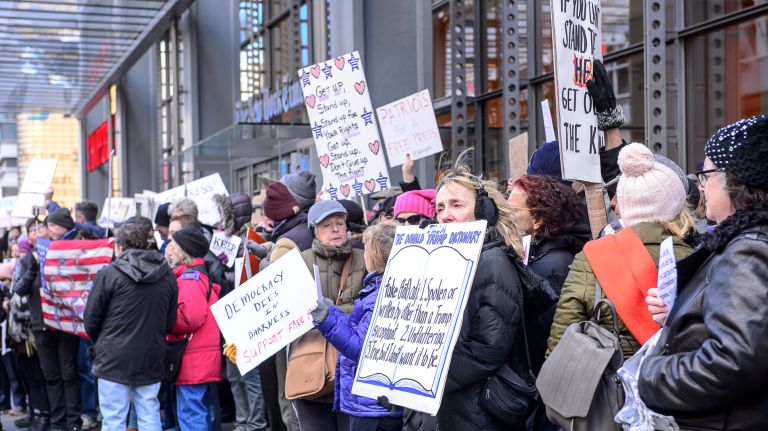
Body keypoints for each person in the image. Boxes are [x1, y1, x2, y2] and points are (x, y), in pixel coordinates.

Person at [638, 115, 768, 429]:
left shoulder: (746, 250)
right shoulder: (745, 241)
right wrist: (683, 314)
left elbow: (734, 362)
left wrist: (651, 374)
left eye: (706, 175)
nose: (701, 186)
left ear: (735, 181)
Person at [433, 152, 558, 431]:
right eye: (440, 208)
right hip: (455, 406)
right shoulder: (446, 262)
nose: (446, 216)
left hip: (480, 412)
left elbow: (488, 347)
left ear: (483, 211)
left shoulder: (492, 262)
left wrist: (433, 377)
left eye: (456, 205)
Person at [547, 143, 694, 360]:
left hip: (608, 386)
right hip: (670, 384)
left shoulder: (592, 257)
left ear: (625, 204)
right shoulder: (695, 258)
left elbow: (563, 333)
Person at [84, 217, 178, 431]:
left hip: (113, 357)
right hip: (150, 354)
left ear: (119, 247)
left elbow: (91, 319)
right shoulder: (167, 275)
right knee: (149, 414)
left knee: (114, 419)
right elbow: (169, 321)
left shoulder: (108, 274)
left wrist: (102, 343)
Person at [310, 222, 402, 431]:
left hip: (373, 405)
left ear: (375, 255)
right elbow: (358, 331)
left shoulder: (380, 294)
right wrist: (332, 312)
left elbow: (362, 349)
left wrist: (327, 320)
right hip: (376, 403)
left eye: (367, 248)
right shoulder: (380, 289)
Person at [293, 200, 366, 431]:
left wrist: (329, 314)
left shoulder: (365, 259)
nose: (335, 229)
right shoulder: (299, 262)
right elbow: (288, 313)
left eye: (339, 223)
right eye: (326, 225)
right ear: (314, 230)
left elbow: (372, 309)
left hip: (352, 369)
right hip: (311, 367)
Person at [165, 225, 223, 431]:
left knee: (191, 415)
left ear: (184, 250)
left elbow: (190, 318)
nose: (169, 249)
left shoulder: (190, 279)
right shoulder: (196, 276)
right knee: (197, 412)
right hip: (198, 357)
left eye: (173, 245)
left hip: (192, 359)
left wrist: (164, 319)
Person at [34, 209, 85, 431]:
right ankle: (58, 421)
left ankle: (73, 420)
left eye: (53, 225)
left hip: (67, 322)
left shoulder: (76, 246)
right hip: (42, 324)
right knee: (52, 375)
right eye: (48, 226)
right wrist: (33, 265)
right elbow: (21, 286)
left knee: (68, 373)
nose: (50, 229)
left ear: (65, 227)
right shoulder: (36, 254)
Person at [12, 219, 50, 430]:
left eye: (39, 229)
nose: (35, 234)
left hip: (37, 323)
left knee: (40, 373)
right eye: (31, 232)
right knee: (27, 371)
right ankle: (34, 411)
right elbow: (20, 288)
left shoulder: (45, 256)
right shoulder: (26, 260)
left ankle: (45, 414)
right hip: (21, 325)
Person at [262, 182, 313, 251]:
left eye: (267, 216)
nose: (265, 220)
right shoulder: (304, 222)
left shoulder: (286, 242)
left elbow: (279, 254)